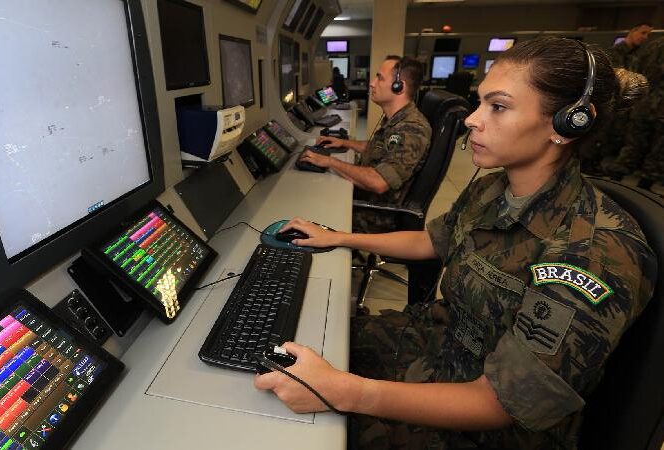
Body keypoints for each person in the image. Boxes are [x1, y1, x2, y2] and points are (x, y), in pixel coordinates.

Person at [255, 37, 657, 449]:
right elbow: (432, 240)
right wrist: (337, 236)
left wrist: (345, 392)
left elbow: (502, 402)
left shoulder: (594, 251)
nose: (471, 119)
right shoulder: (492, 189)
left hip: (488, 423)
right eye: (480, 102)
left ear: (568, 123)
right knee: (300, 340)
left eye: (497, 107)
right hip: (437, 346)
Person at [299, 56, 432, 233]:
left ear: (399, 87)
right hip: (364, 199)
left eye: (380, 78)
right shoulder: (399, 121)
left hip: (374, 214)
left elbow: (379, 182)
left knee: (307, 203)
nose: (372, 83)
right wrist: (345, 142)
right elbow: (379, 148)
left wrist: (330, 162)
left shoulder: (411, 129)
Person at [605, 36, 664, 189]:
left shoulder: (651, 45)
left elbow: (636, 72)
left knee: (633, 145)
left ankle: (613, 183)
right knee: (657, 151)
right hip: (660, 108)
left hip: (642, 104)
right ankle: (644, 190)